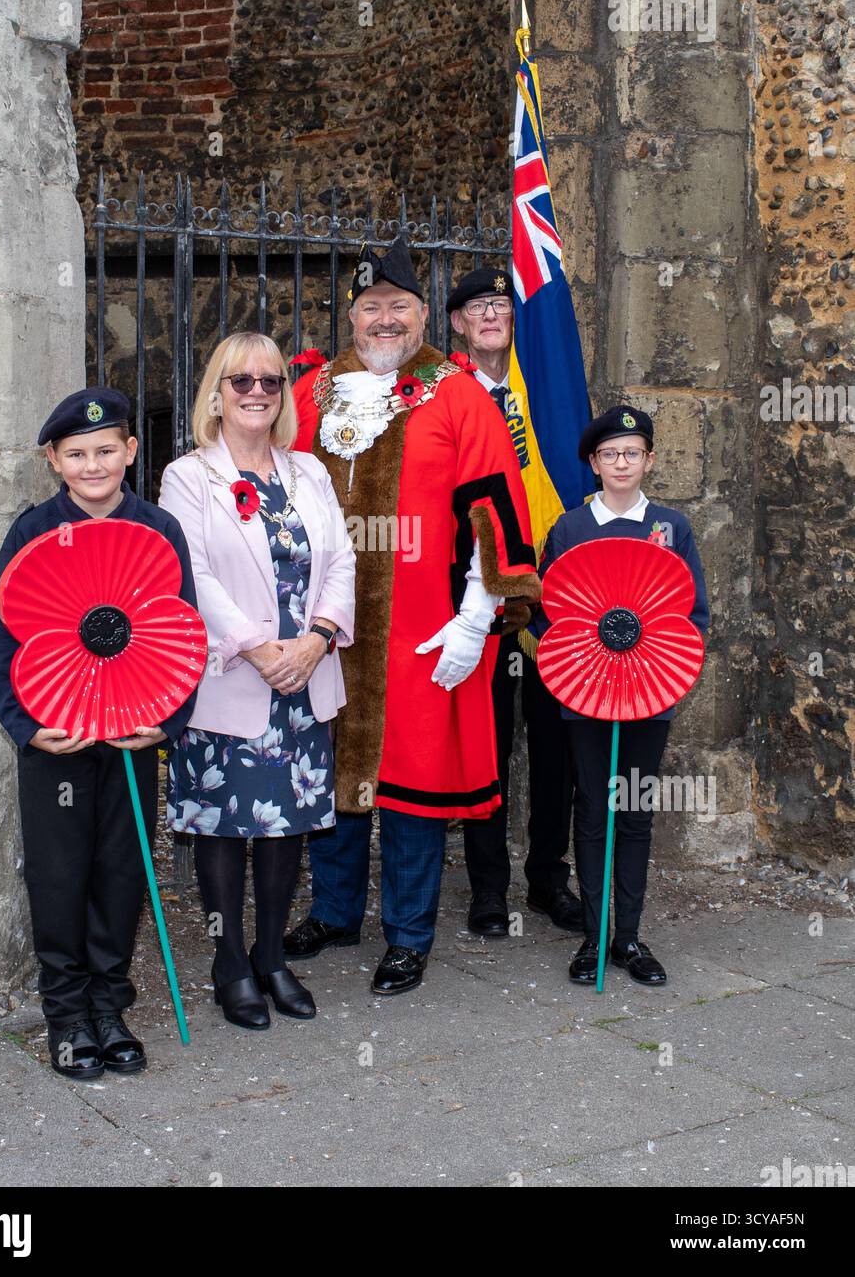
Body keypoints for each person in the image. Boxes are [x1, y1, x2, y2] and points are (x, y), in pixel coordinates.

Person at [284, 238, 538, 996]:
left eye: (398, 307)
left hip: (420, 627)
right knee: (329, 773)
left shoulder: (457, 396)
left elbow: (492, 512)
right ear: (351, 316)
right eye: (370, 308)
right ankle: (333, 912)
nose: (384, 320)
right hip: (323, 631)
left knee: (411, 784)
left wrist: (473, 619)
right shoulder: (310, 393)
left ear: (425, 315)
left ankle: (408, 934)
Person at [0, 388, 198, 1080]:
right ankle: (67, 1016)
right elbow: (3, 640)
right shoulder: (32, 531)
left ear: (131, 452)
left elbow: (182, 633)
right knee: (59, 875)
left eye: (106, 450)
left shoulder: (159, 528)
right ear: (55, 461)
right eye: (76, 454)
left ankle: (111, 1008)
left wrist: (166, 722)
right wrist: (24, 726)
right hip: (59, 737)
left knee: (120, 872)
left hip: (132, 733)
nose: (93, 464)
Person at [158, 332, 355, 1030]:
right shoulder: (188, 476)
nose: (256, 392)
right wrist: (256, 646)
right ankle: (227, 963)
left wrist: (318, 637)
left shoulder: (308, 473)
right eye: (240, 381)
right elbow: (192, 574)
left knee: (285, 826)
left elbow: (340, 561)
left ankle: (270, 956)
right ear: (217, 392)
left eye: (270, 381)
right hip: (231, 679)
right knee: (220, 828)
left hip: (304, 676)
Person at [535, 405, 709, 985]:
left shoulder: (671, 529)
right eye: (610, 454)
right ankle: (594, 935)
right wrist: (572, 663)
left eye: (632, 452)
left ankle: (629, 937)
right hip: (585, 694)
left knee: (632, 810)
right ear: (593, 463)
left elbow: (693, 615)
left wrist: (667, 668)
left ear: (650, 460)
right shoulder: (570, 529)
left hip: (649, 693)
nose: (621, 462)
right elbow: (544, 615)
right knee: (592, 808)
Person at [447, 267, 580, 938]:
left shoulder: (545, 395)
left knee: (554, 750)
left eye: (502, 303)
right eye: (478, 306)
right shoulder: (444, 396)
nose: (493, 313)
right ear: (457, 323)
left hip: (552, 595)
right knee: (486, 750)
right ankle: (488, 888)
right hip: (483, 600)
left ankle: (548, 880)